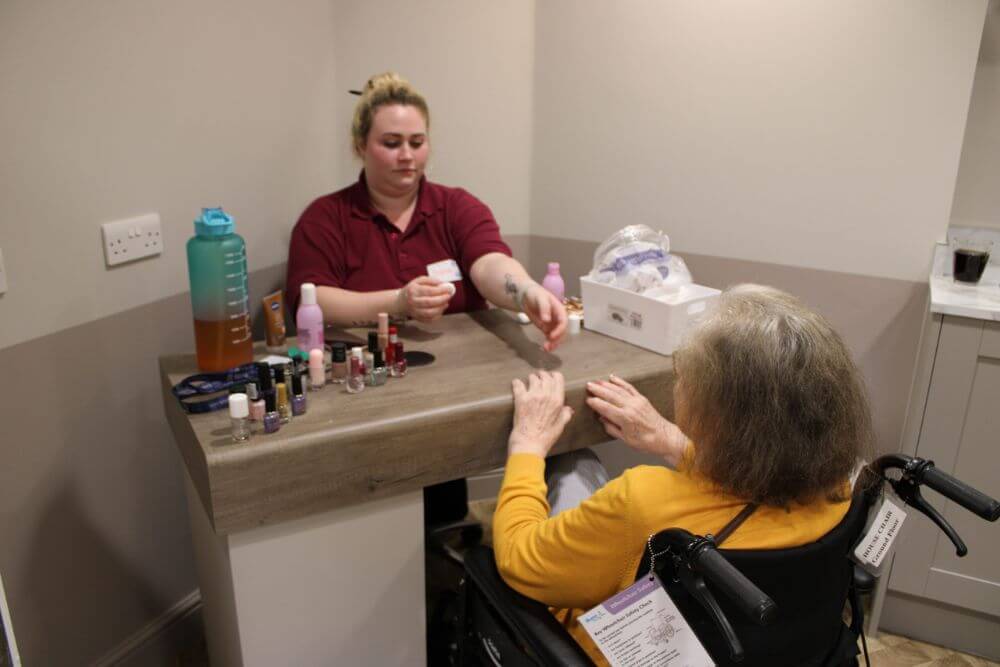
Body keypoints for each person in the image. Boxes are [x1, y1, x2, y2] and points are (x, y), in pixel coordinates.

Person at [492, 284, 874, 665]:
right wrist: (673, 442)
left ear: (714, 415)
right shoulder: (839, 488)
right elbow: (760, 486)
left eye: (682, 379)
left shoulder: (644, 503)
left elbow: (518, 560)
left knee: (573, 467)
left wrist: (526, 447)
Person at [285, 72, 566, 351]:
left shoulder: (457, 206)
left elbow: (489, 263)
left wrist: (526, 291)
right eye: (392, 143)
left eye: (417, 143)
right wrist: (398, 302)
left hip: (465, 367)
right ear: (361, 145)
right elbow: (312, 301)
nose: (407, 155)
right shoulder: (325, 218)